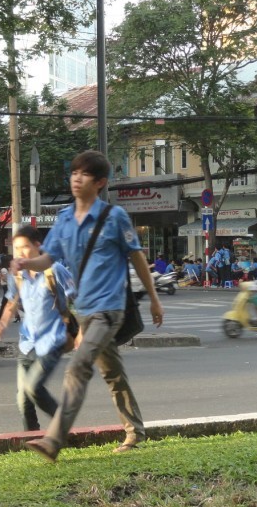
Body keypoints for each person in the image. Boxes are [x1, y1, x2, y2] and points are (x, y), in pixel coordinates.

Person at [14, 149, 164, 463]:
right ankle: (135, 431)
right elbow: (48, 258)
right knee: (112, 374)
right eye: (74, 173)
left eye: (84, 175)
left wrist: (154, 298)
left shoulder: (114, 217)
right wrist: (27, 261)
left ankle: (54, 440)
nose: (76, 179)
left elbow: (136, 256)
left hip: (110, 309)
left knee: (78, 367)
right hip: (84, 308)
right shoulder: (65, 219)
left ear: (100, 183)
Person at [0, 226, 75, 431]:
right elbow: (12, 301)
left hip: (52, 340)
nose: (20, 253)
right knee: (23, 398)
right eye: (17, 248)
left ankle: (62, 429)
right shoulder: (17, 274)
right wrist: (2, 323)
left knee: (34, 387)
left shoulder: (55, 270)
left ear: (38, 246)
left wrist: (81, 331)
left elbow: (77, 298)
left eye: (25, 247)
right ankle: (31, 436)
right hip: (27, 342)